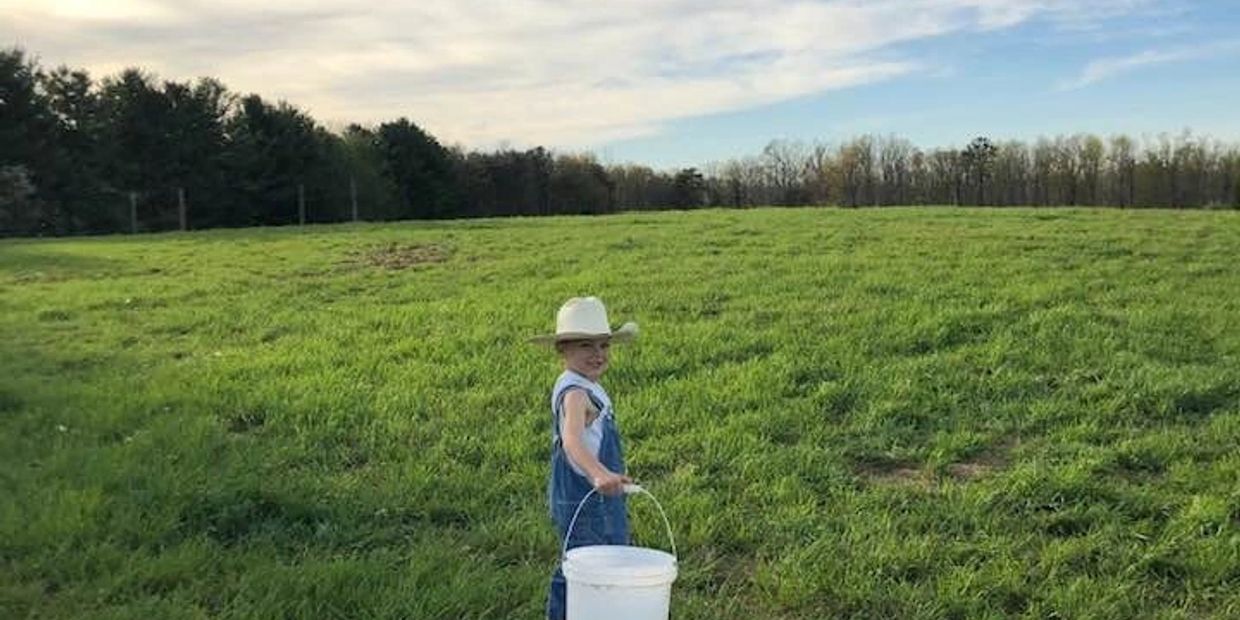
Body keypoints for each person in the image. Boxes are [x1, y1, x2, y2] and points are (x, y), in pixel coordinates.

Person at [531, 296, 638, 620]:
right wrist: (597, 473)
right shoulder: (576, 393)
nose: (598, 354)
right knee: (585, 563)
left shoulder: (582, 383)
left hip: (593, 492)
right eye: (585, 345)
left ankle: (599, 609)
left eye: (604, 345)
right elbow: (572, 441)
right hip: (584, 496)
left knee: (599, 557)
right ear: (562, 349)